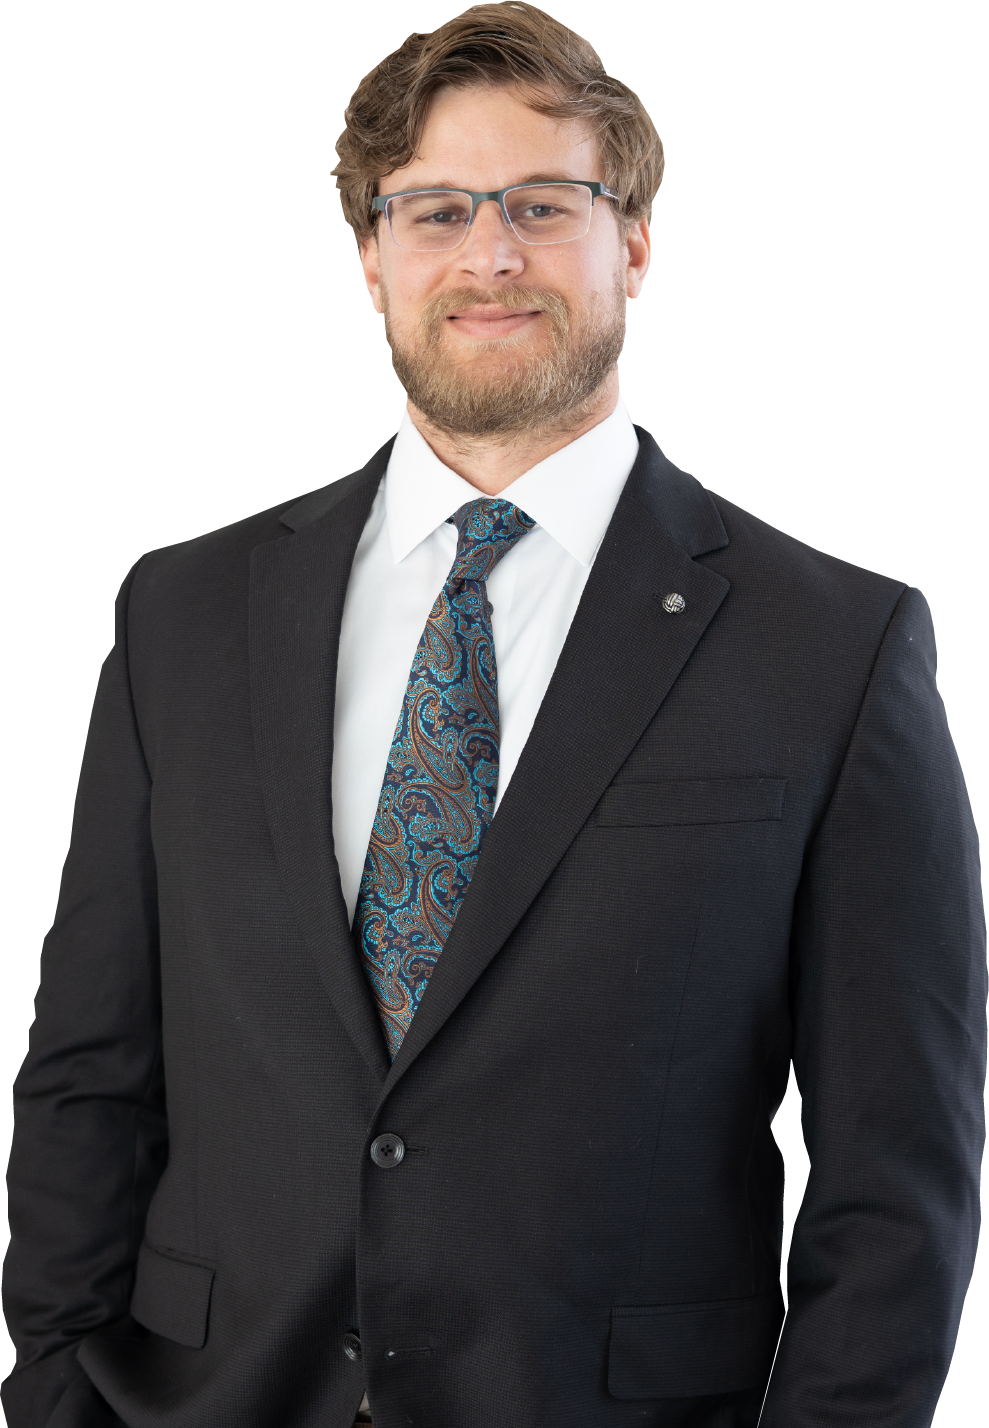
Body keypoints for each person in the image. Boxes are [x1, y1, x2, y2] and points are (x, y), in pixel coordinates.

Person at [2, 4, 985, 1426]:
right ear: (370, 256)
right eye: (436, 211)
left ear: (634, 238)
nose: (489, 255)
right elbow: (91, 1071)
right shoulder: (187, 615)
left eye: (542, 204)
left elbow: (900, 1177)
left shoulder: (830, 648)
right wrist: (51, 1392)